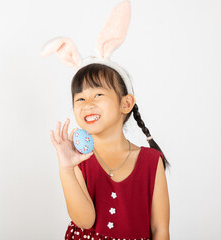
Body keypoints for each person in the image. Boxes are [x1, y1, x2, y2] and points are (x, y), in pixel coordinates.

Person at [44, 1, 170, 239]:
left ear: (126, 103)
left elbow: (160, 229)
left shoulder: (152, 162)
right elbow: (85, 220)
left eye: (98, 94)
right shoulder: (79, 160)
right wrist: (66, 169)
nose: (87, 104)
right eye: (79, 99)